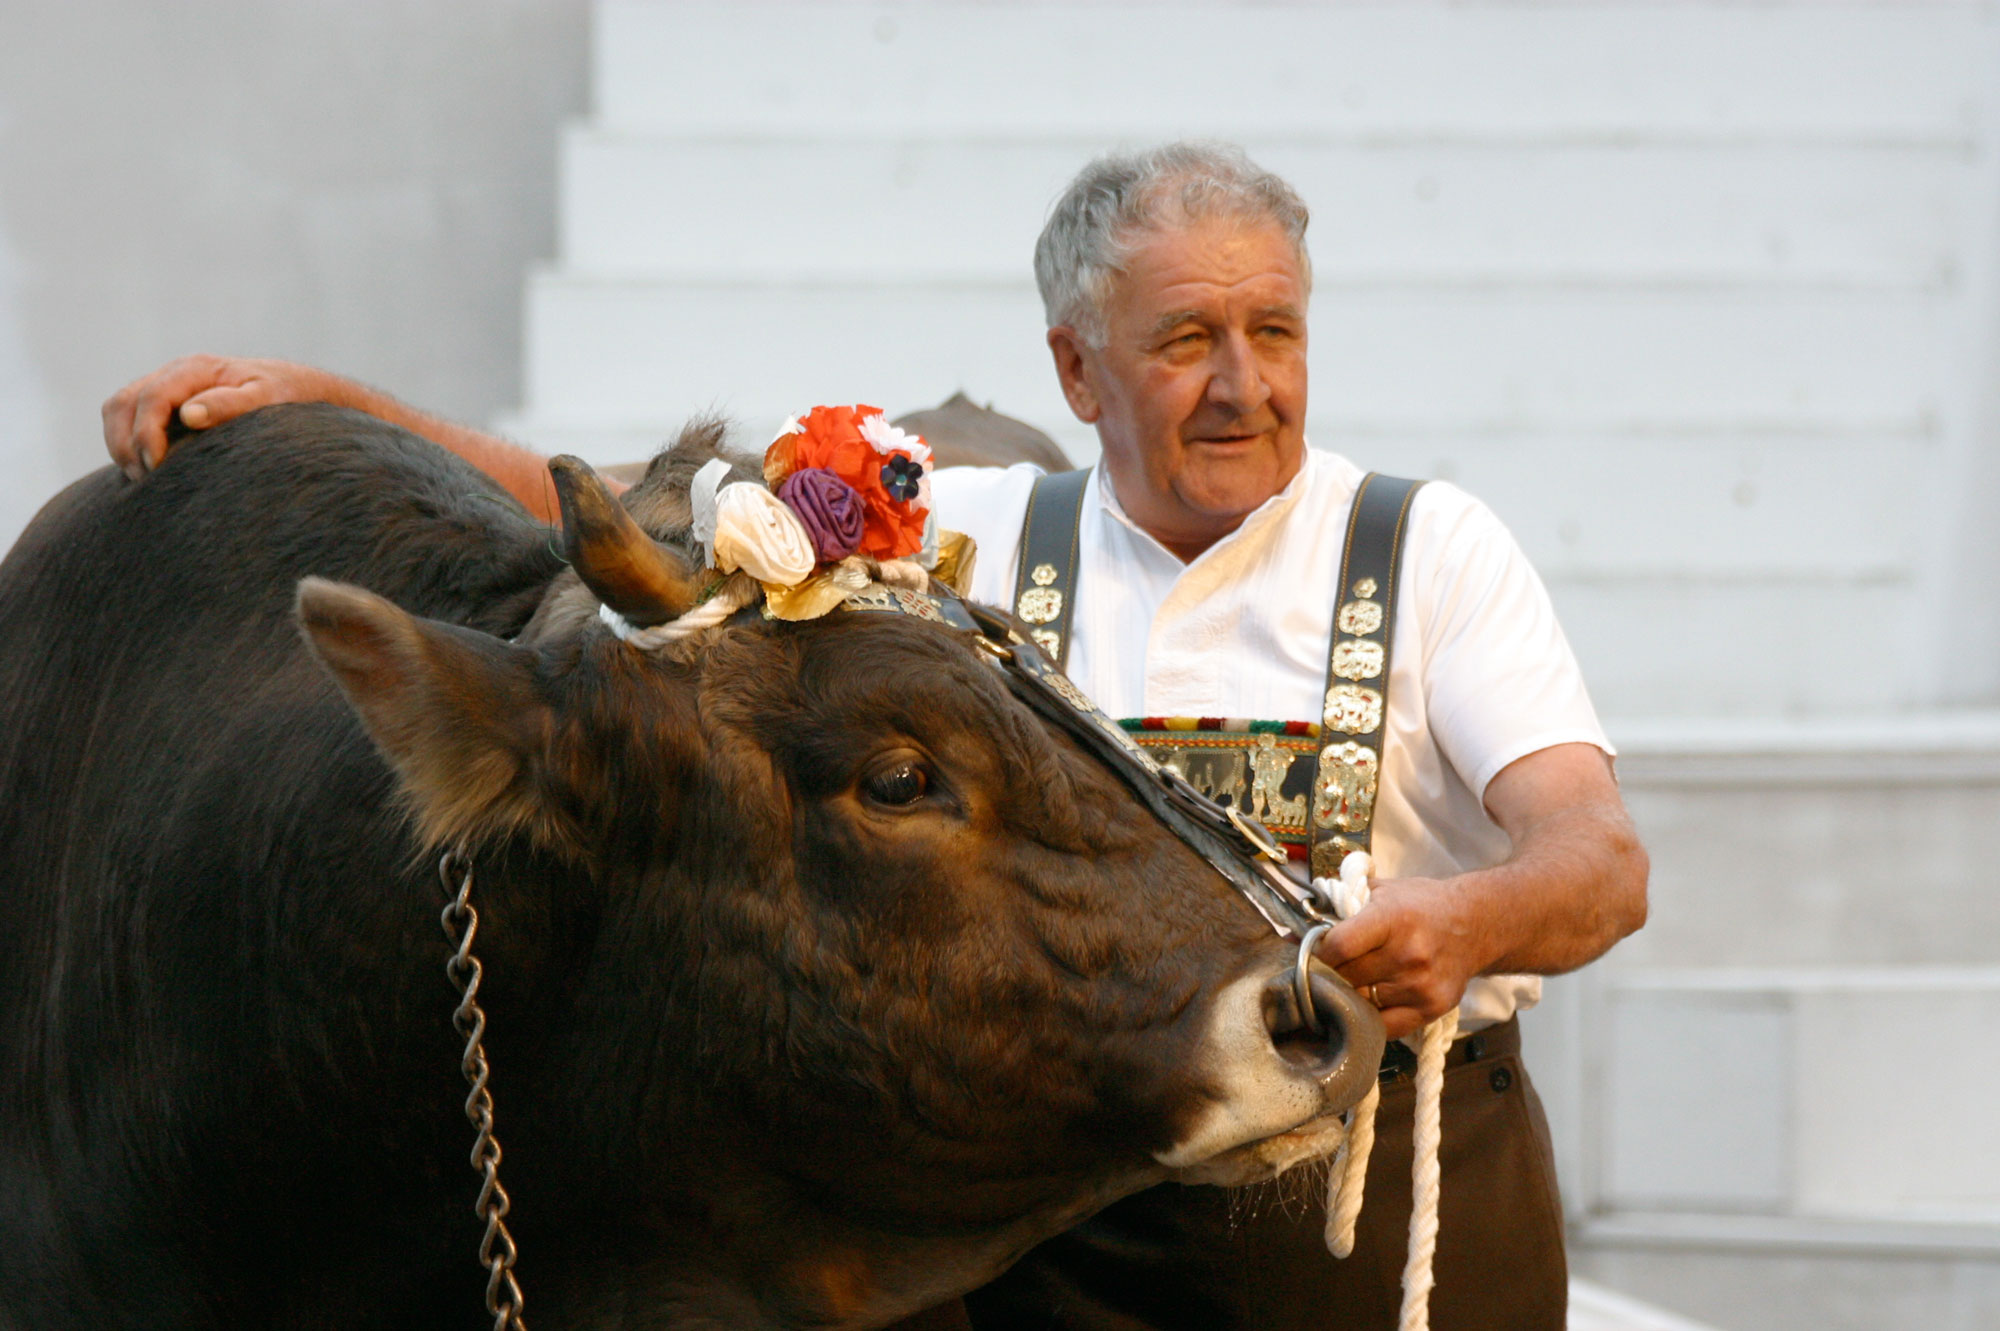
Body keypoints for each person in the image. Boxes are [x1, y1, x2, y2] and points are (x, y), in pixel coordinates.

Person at [102, 140, 1647, 1330]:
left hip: (1392, 1247)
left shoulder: (1429, 551)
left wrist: (1469, 918)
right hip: (1075, 1237)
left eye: (1275, 332)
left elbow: (1598, 859)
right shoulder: (955, 544)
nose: (1244, 385)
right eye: (1187, 340)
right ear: (1074, 370)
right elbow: (636, 512)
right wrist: (331, 409)